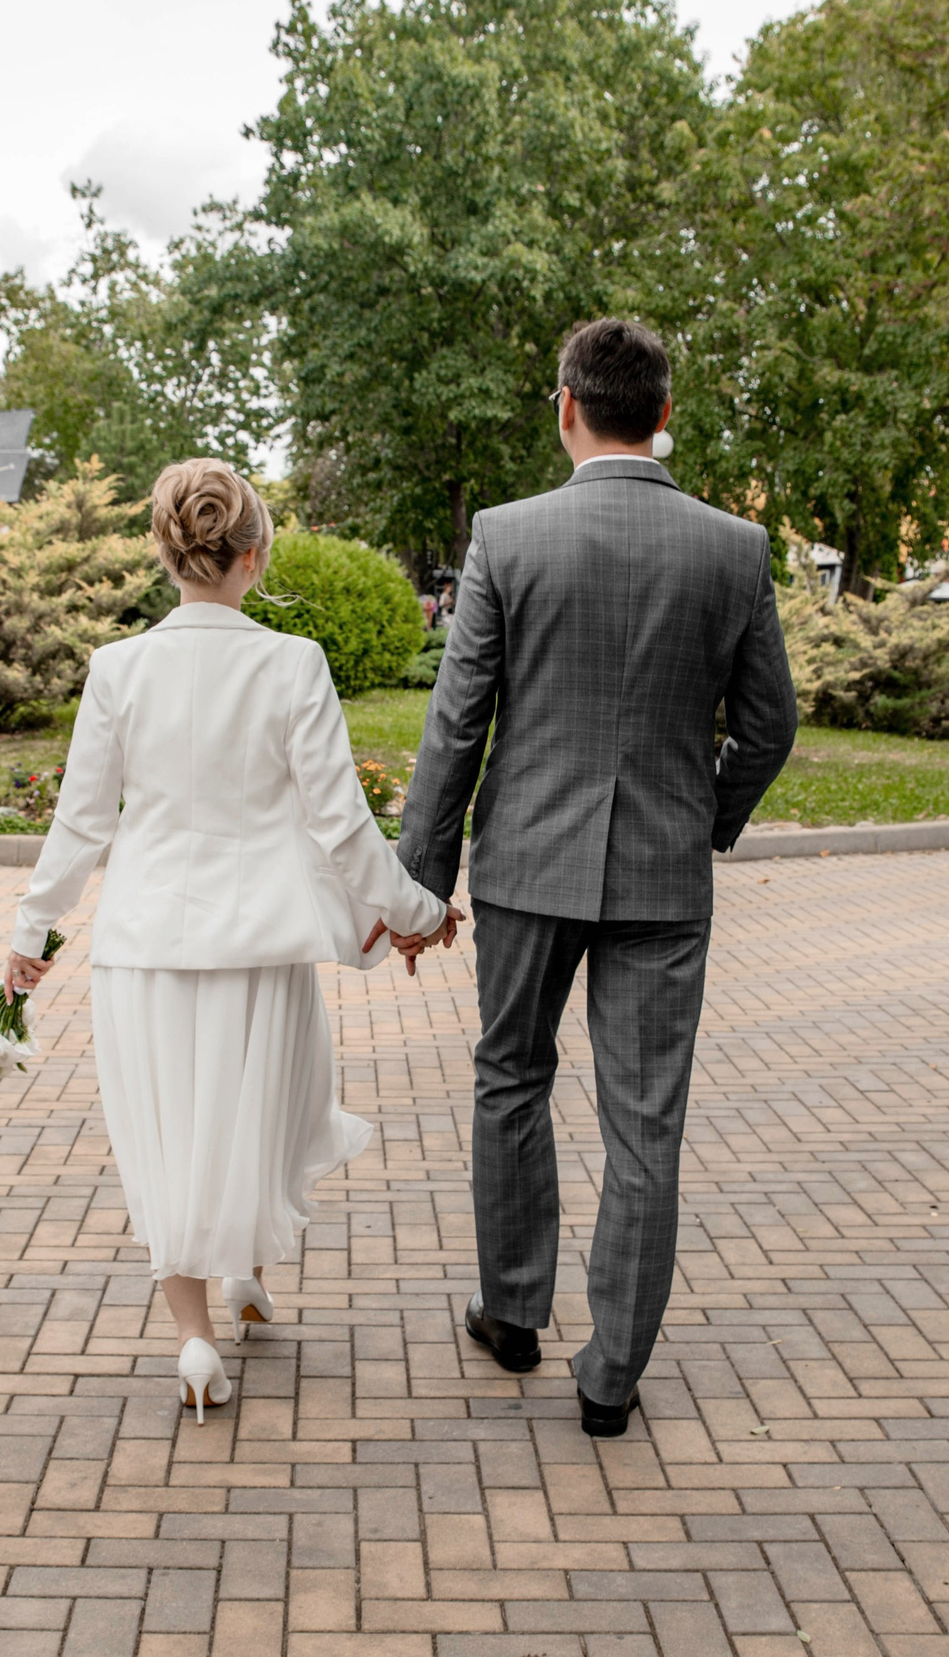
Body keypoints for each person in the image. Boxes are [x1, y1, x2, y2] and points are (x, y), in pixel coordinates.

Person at [396, 318, 798, 1437]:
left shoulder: (507, 537)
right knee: (644, 1128)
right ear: (662, 415)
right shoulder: (735, 546)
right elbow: (770, 727)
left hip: (526, 862)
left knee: (511, 1075)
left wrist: (420, 880)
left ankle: (512, 1310)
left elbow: (456, 723)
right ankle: (610, 1378)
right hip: (664, 881)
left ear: (566, 407)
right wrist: (697, 817)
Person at [2, 459, 462, 1424]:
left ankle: (198, 1332)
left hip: (146, 948)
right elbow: (343, 825)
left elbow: (81, 824)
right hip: (259, 943)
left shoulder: (119, 669)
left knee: (171, 1133)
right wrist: (416, 911)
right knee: (257, 1113)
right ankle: (245, 1277)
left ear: (170, 557)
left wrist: (31, 933)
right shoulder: (290, 663)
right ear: (254, 555)